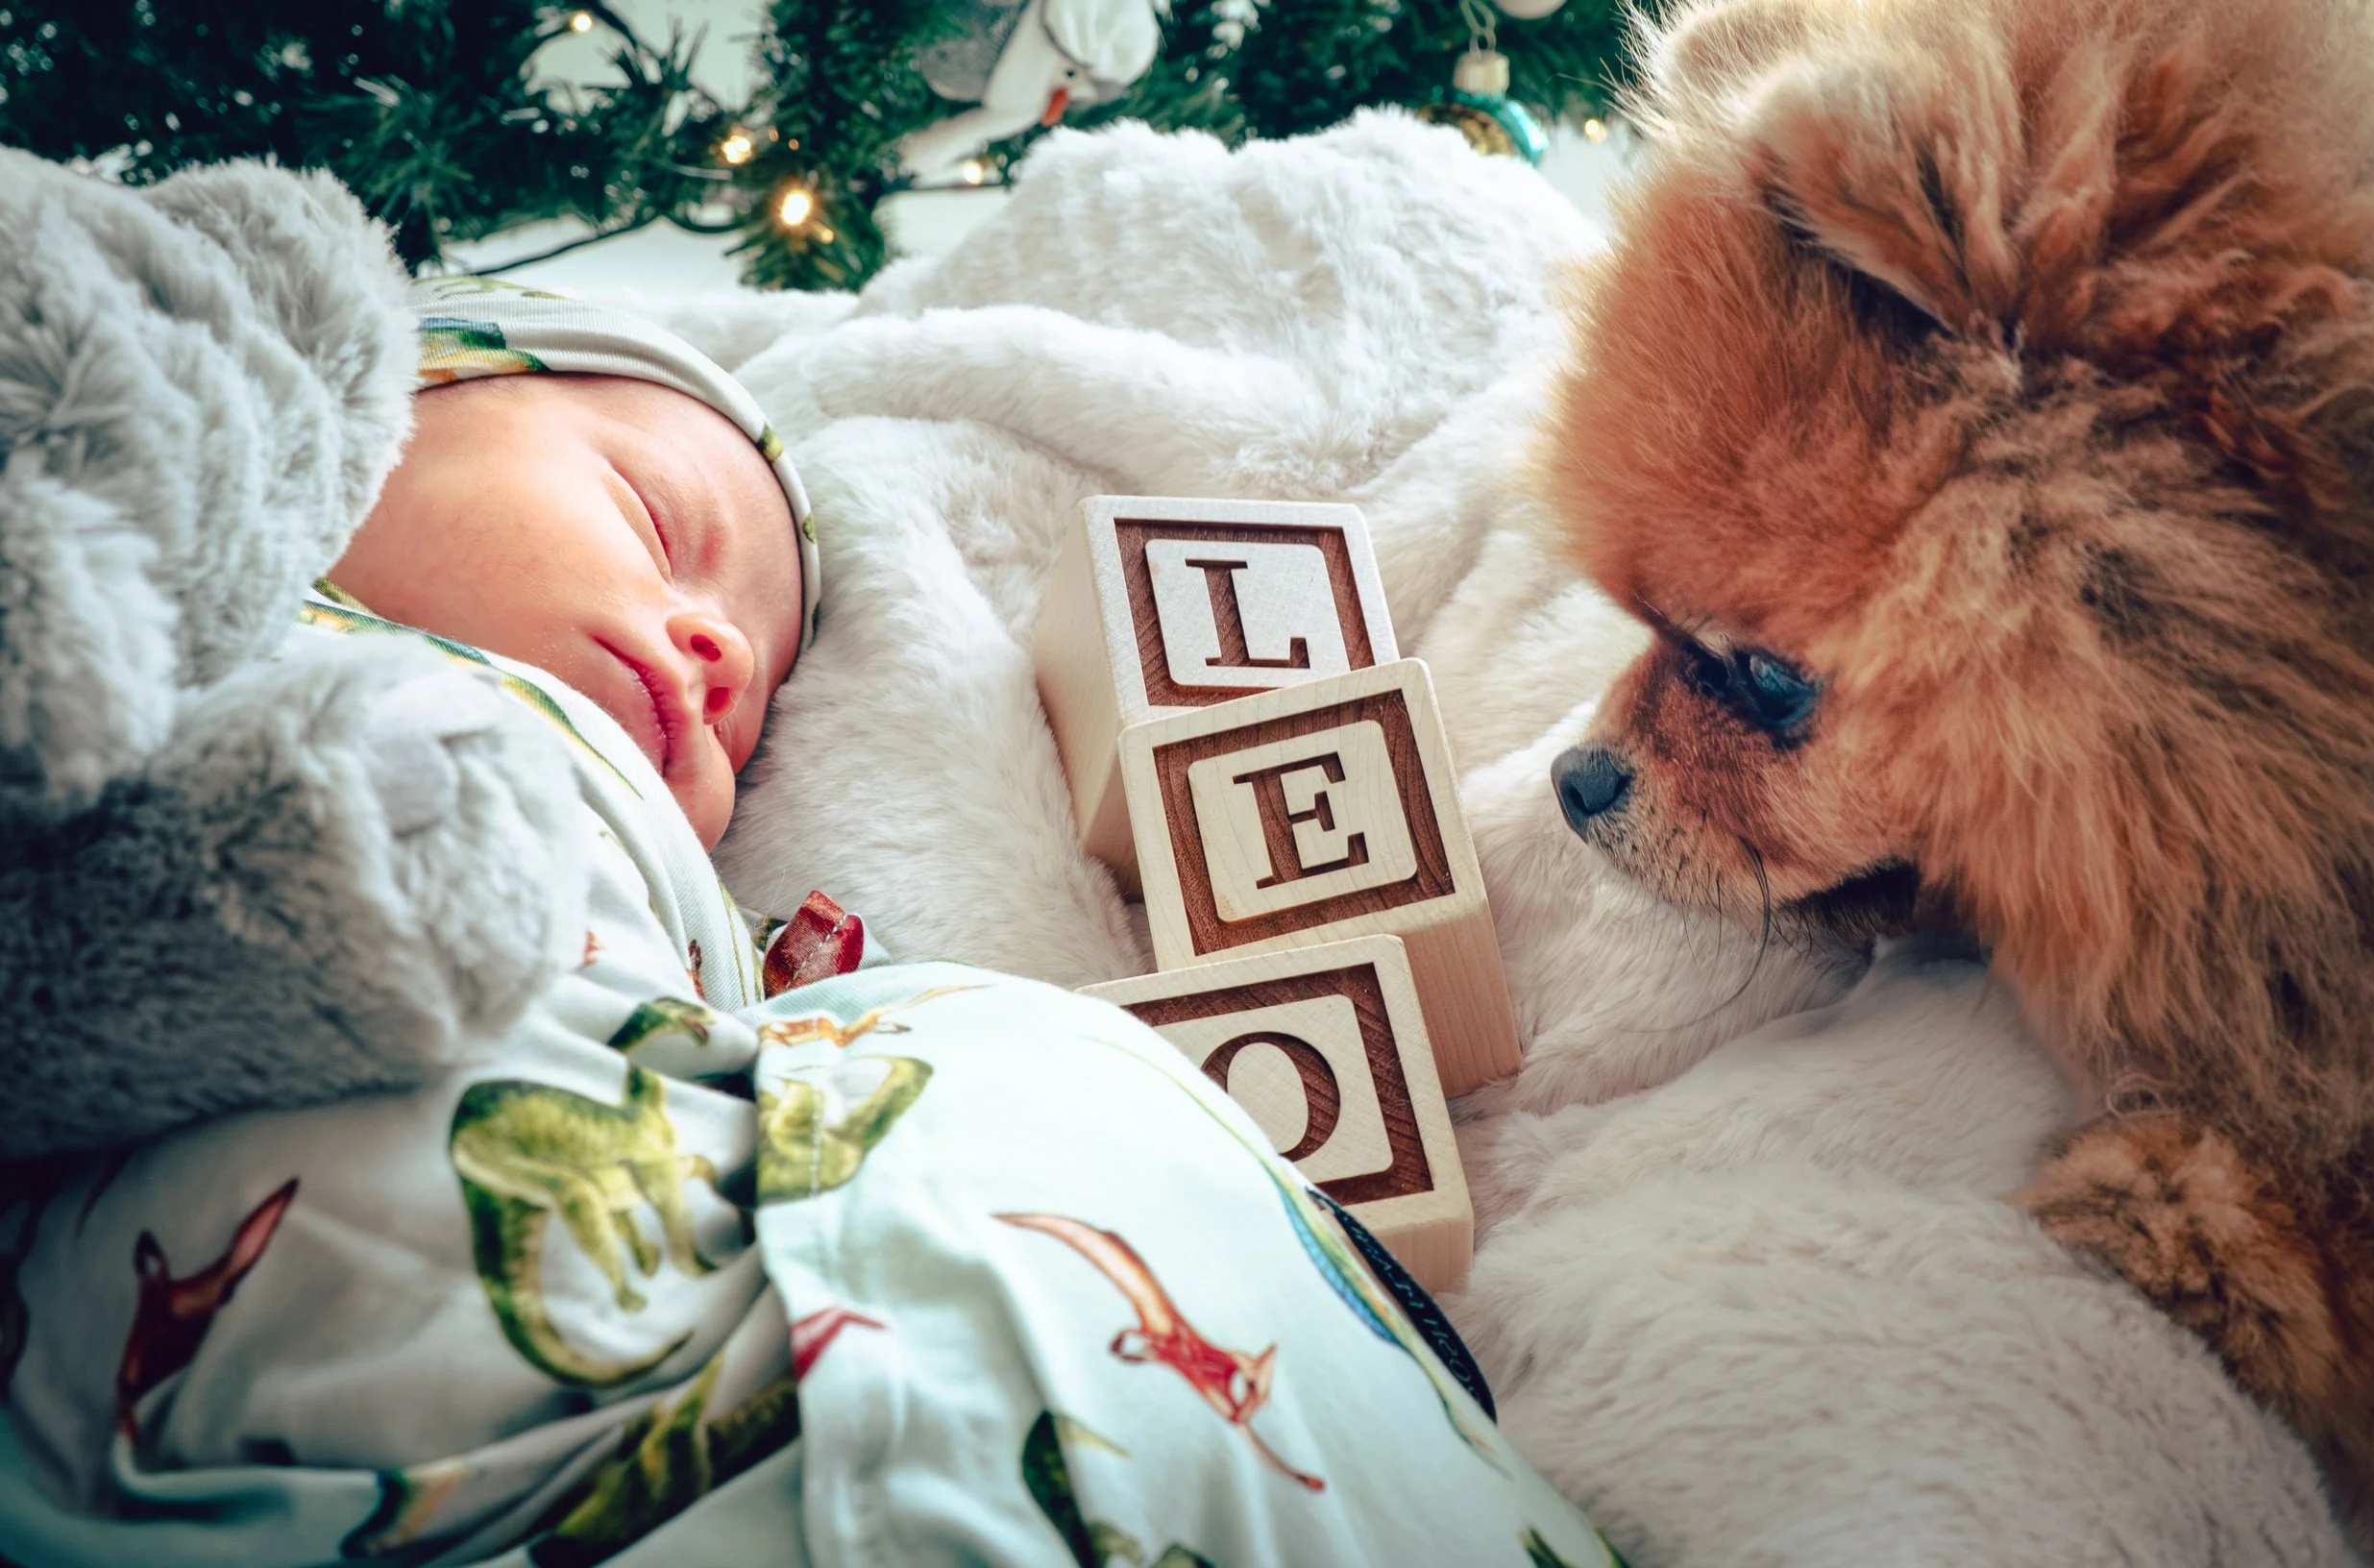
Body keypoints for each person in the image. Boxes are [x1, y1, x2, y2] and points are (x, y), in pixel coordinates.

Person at [0, 280, 1612, 1568]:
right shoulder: (148, 545)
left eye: (752, 711)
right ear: (387, 399)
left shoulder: (633, 841)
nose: (712, 653)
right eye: (651, 519)